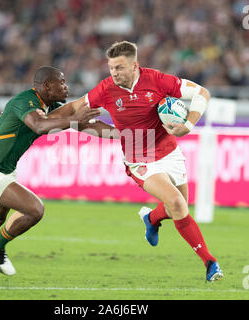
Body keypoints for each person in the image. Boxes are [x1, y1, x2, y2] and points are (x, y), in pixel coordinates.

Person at [53, 41, 223, 282]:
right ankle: (210, 263)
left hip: (170, 152)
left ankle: (151, 219)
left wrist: (188, 125)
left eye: (119, 68)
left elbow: (202, 93)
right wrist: (43, 118)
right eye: (111, 68)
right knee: (176, 202)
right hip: (139, 158)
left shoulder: (158, 80)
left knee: (180, 207)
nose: (114, 73)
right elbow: (75, 107)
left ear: (135, 65)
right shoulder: (106, 88)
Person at [0, 66, 116, 278]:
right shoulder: (24, 101)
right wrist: (74, 119)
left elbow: (87, 125)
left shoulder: (52, 106)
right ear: (47, 86)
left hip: (4, 169)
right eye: (61, 82)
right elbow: (38, 125)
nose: (66, 86)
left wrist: (123, 135)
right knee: (34, 209)